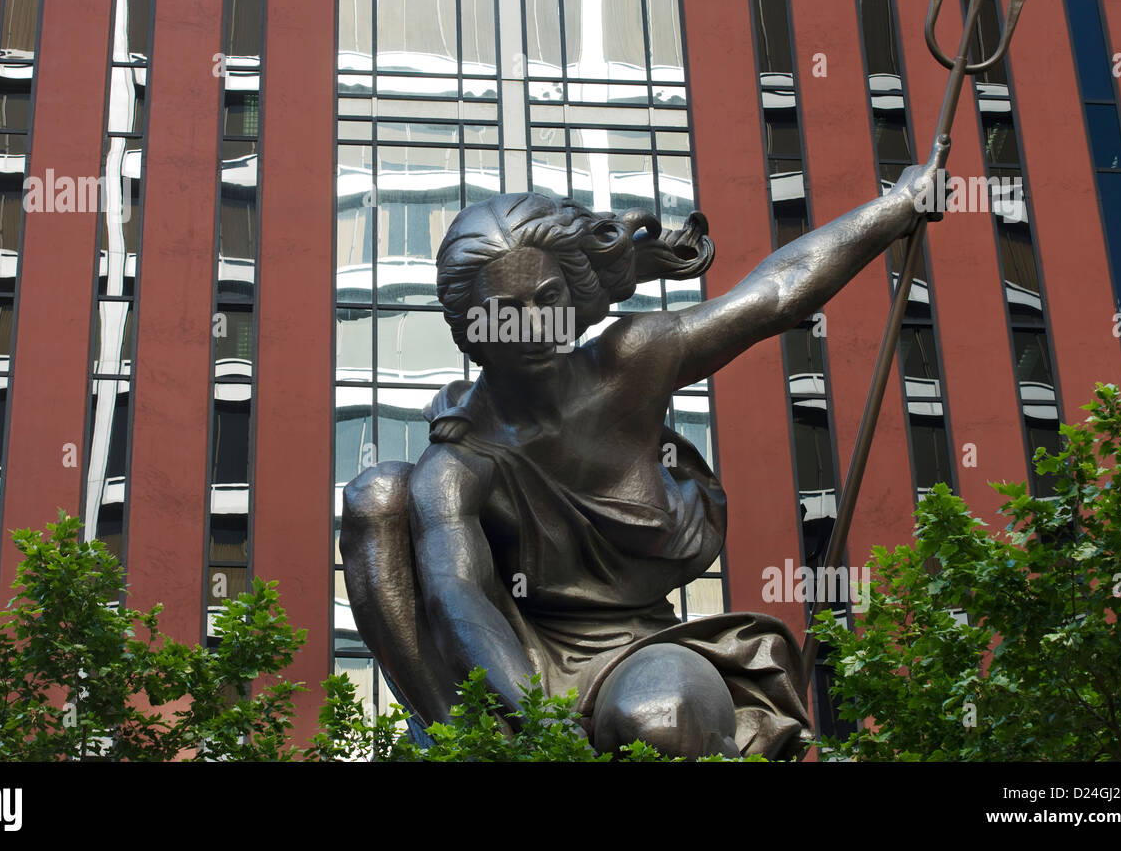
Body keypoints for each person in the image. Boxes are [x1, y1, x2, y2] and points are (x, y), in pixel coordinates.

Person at [341, 135, 950, 759]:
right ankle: (471, 746)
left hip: (640, 649)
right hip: (509, 662)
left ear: (576, 297)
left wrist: (899, 206)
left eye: (548, 300)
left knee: (660, 720)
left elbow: (777, 294)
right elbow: (456, 596)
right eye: (504, 311)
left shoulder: (631, 362)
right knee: (377, 494)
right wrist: (543, 733)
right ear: (470, 329)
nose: (531, 326)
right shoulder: (458, 462)